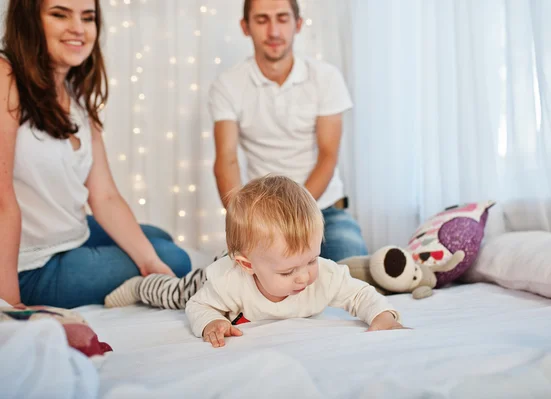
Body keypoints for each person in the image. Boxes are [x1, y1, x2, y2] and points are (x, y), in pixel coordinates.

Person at [0, 0, 190, 309]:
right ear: (29, 20)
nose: (78, 28)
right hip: (31, 266)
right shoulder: (4, 75)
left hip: (74, 233)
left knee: (160, 240)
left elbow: (105, 197)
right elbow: (0, 200)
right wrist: (8, 306)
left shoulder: (77, 95)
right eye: (60, 14)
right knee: (175, 258)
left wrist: (149, 263)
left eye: (87, 18)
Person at [105, 175, 404, 348]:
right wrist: (211, 320)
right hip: (212, 279)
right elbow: (197, 305)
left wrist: (382, 314)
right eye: (288, 271)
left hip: (248, 261)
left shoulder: (321, 275)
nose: (304, 277)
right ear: (248, 265)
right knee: (175, 293)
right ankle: (141, 286)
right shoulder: (230, 280)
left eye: (311, 260)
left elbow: (360, 293)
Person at [209, 0, 368, 262]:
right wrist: (246, 224)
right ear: (245, 27)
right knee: (236, 280)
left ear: (297, 24)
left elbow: (328, 156)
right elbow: (225, 160)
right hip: (264, 218)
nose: (273, 31)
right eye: (262, 20)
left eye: (282, 18)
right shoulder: (227, 85)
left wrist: (294, 215)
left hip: (324, 210)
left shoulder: (326, 78)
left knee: (349, 267)